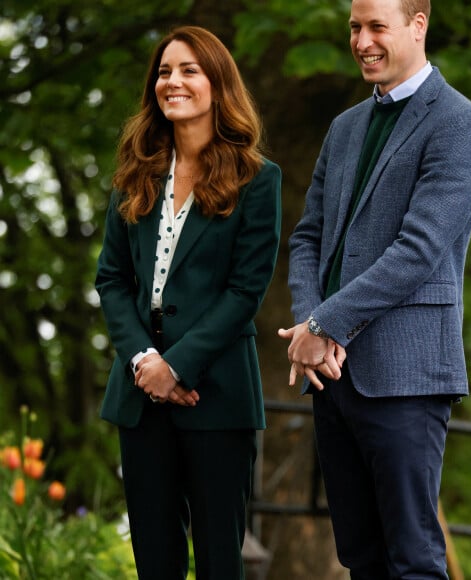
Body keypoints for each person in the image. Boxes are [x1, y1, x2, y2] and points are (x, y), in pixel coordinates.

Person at [278, 0, 471, 577]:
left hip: (406, 376)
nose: (362, 40)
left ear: (418, 25)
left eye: (377, 27)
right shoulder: (344, 126)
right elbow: (307, 238)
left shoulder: (458, 122)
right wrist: (309, 327)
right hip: (333, 377)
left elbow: (418, 251)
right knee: (359, 558)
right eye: (355, 27)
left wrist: (325, 324)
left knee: (415, 559)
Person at [95, 26, 281, 580]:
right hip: (139, 393)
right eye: (164, 71)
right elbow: (111, 280)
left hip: (216, 394)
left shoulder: (257, 179)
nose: (172, 81)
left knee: (222, 561)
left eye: (189, 70)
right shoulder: (135, 174)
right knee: (154, 560)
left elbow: (247, 290)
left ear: (218, 84)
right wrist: (144, 363)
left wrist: (176, 364)